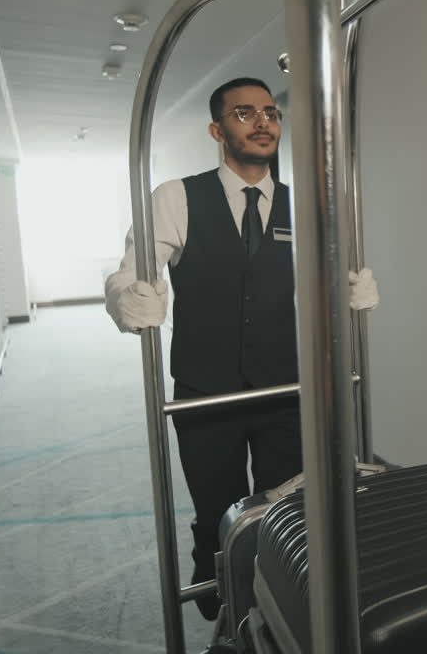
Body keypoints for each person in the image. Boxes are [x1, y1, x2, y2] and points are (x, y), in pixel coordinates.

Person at [104, 76, 376, 620]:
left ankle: (277, 613)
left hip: (285, 387)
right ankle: (222, 608)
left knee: (285, 510)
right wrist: (130, 298)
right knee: (217, 511)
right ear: (217, 129)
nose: (262, 122)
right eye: (244, 113)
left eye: (270, 113)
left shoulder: (306, 206)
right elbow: (130, 274)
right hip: (206, 392)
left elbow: (337, 272)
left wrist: (355, 287)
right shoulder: (177, 198)